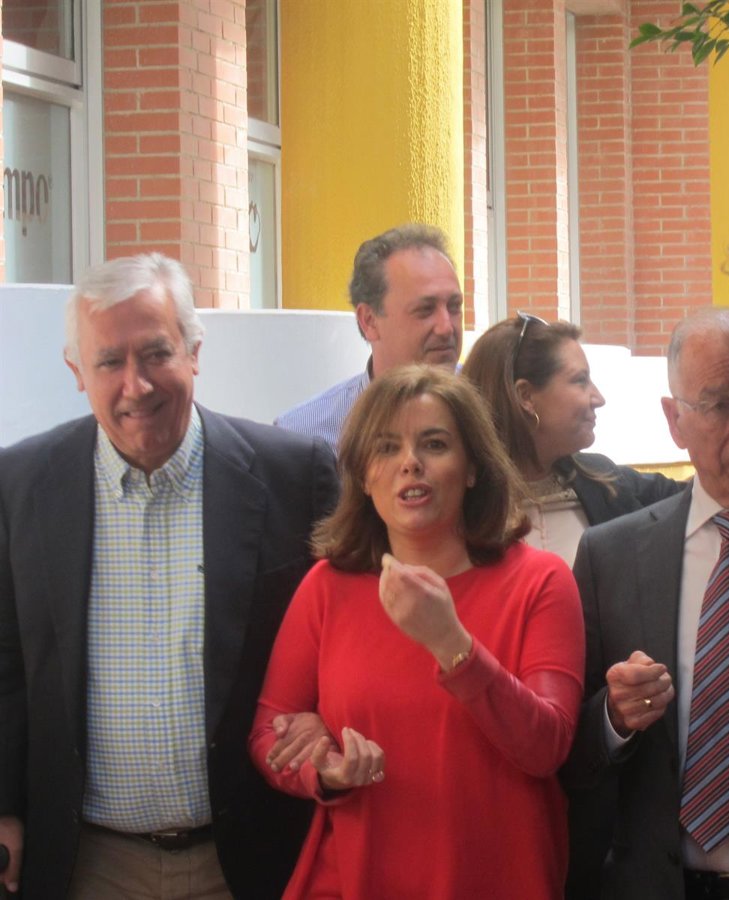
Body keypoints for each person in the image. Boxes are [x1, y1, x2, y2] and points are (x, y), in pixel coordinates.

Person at [0, 253, 339, 898]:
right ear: (76, 371)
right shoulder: (21, 485)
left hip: (253, 861)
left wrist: (329, 719)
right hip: (87, 866)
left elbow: (346, 637)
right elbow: (6, 662)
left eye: (156, 353)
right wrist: (5, 808)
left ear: (194, 351)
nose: (137, 385)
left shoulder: (296, 476)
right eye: (109, 362)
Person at [250, 365, 585, 900]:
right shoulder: (327, 587)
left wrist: (452, 643)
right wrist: (325, 771)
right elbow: (269, 735)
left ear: (472, 468)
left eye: (434, 444)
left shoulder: (540, 581)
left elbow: (546, 747)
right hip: (353, 880)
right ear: (364, 477)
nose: (410, 463)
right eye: (387, 448)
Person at [561, 309, 729, 900]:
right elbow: (568, 751)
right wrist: (614, 718)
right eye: (718, 406)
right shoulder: (611, 555)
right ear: (675, 420)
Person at [462, 314, 681, 567]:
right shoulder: (458, 508)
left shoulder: (607, 483)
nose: (598, 398)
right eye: (580, 380)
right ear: (526, 396)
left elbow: (699, 498)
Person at [275, 223, 464, 451]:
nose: (446, 328)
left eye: (454, 307)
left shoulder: (496, 405)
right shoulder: (304, 437)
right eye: (425, 310)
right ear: (369, 321)